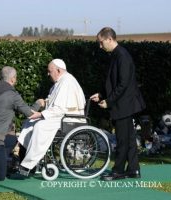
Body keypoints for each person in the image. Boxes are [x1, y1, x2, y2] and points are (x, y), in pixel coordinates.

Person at [9, 58, 86, 179]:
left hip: (71, 119)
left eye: (50, 71)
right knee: (29, 122)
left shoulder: (67, 82)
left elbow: (60, 108)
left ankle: (28, 165)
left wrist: (40, 114)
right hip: (61, 117)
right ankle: (24, 160)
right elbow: (54, 103)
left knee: (40, 126)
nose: (48, 74)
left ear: (58, 70)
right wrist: (43, 103)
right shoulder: (60, 82)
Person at [90, 27, 146, 181]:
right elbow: (112, 81)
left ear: (109, 39)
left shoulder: (122, 56)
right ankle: (134, 169)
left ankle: (118, 171)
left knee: (122, 139)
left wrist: (109, 101)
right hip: (123, 104)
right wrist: (101, 94)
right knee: (128, 138)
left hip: (125, 105)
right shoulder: (116, 55)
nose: (100, 46)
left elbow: (123, 84)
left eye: (101, 43)